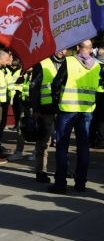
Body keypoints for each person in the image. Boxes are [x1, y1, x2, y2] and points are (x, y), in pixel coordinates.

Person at [48, 40, 104, 194]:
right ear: (91, 50)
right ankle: (81, 183)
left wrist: (56, 100)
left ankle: (60, 184)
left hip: (67, 109)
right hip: (86, 111)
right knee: (83, 147)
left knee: (62, 146)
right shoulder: (99, 65)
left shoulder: (69, 61)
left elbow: (56, 84)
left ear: (77, 48)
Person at [29, 49, 68, 181]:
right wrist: (35, 109)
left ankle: (63, 169)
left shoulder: (68, 63)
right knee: (44, 142)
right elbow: (34, 87)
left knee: (63, 142)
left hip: (63, 108)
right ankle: (41, 172)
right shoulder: (42, 64)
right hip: (45, 109)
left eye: (65, 48)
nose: (63, 51)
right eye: (60, 49)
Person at [7, 67, 33, 160]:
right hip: (26, 104)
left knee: (37, 128)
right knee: (20, 127)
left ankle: (36, 151)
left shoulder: (38, 72)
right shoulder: (27, 74)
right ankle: (19, 151)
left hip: (35, 106)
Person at [90, 47, 104, 149]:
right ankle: (101, 141)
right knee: (102, 120)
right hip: (103, 95)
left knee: (93, 120)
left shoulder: (91, 64)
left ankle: (91, 140)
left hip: (92, 94)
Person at [0, 49, 13, 159]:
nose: (8, 61)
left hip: (3, 102)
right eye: (6, 59)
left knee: (1, 125)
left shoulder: (4, 70)